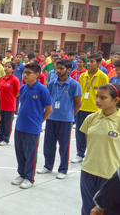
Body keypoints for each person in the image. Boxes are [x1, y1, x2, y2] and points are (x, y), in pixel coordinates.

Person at [79, 83, 120, 215]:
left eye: (103, 98)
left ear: (116, 100)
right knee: (87, 208)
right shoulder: (91, 118)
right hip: (88, 171)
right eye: (97, 97)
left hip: (110, 175)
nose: (98, 100)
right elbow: (89, 141)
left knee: (105, 210)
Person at [37, 59, 81, 180]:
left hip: (66, 120)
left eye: (61, 68)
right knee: (49, 144)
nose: (58, 71)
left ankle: (63, 169)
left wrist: (70, 115)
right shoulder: (52, 83)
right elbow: (47, 100)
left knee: (64, 145)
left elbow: (78, 103)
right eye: (57, 68)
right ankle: (48, 166)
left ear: (68, 70)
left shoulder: (74, 84)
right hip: (51, 118)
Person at [12, 63, 52, 189]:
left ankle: (29, 178)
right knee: (20, 152)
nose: (25, 75)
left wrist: (40, 121)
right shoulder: (23, 88)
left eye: (28, 73)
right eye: (24, 72)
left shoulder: (42, 89)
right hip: (20, 125)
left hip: (32, 127)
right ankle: (22, 174)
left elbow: (49, 109)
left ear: (36, 75)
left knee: (30, 154)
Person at [74, 54, 109, 164]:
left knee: (93, 134)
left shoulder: (103, 76)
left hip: (96, 110)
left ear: (98, 64)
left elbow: (106, 94)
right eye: (88, 61)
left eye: (92, 61)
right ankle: (80, 154)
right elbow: (80, 92)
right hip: (82, 108)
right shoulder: (82, 76)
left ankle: (91, 155)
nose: (89, 63)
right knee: (80, 132)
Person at [0, 61, 20, 146]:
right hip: (0, 104)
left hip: (9, 105)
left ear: (13, 69)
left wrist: (10, 98)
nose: (6, 68)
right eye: (5, 66)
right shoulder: (1, 79)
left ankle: (6, 138)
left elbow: (17, 92)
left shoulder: (15, 80)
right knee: (0, 121)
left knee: (7, 123)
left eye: (9, 67)